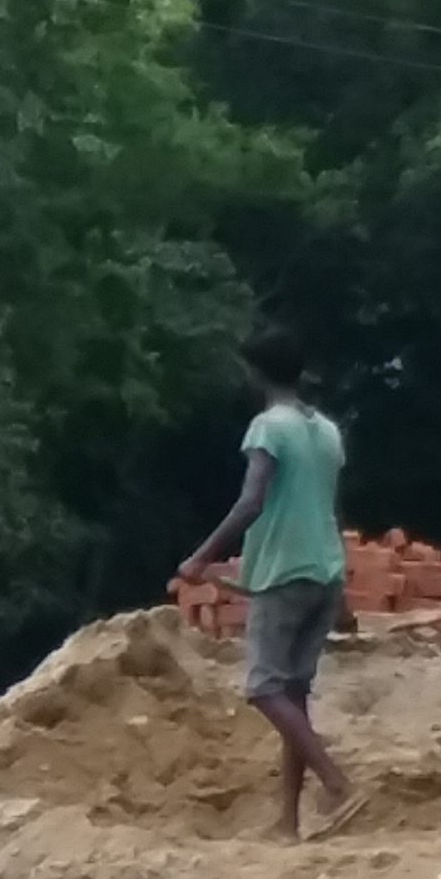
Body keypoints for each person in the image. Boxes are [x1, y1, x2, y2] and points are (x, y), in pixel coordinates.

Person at [178, 329, 365, 841]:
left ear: (255, 372)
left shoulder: (268, 427)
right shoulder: (327, 430)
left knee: (263, 688)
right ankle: (288, 822)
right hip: (324, 572)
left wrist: (201, 557)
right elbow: (326, 509)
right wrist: (343, 590)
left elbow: (252, 500)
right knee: (294, 696)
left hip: (283, 573)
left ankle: (337, 783)